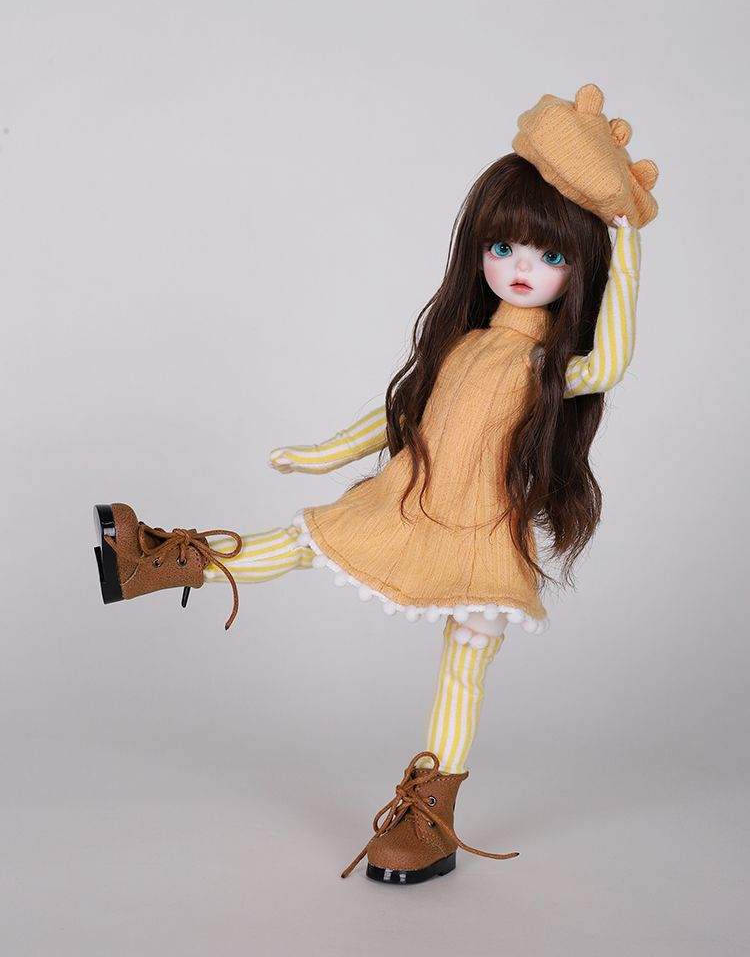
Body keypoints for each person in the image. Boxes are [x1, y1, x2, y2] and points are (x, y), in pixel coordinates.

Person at [92, 83, 658, 885]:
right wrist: (323, 453)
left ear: (581, 267)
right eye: (504, 247)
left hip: (482, 534)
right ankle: (155, 564)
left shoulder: (545, 364)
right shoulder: (462, 344)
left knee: (463, 665)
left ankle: (430, 817)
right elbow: (399, 412)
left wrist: (627, 243)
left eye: (551, 255)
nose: (522, 268)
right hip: (408, 499)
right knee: (301, 540)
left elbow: (612, 361)